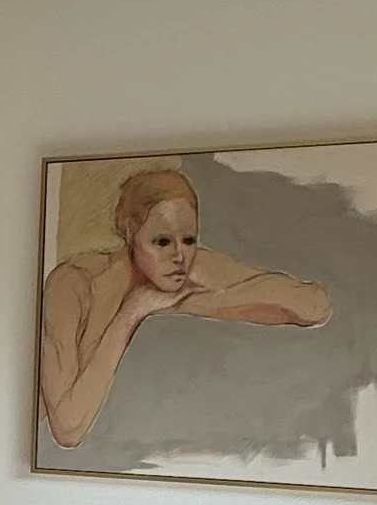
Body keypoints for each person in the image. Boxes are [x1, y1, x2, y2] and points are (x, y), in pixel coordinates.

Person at [38, 166, 332, 448]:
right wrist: (131, 313)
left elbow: (315, 306)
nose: (179, 256)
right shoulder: (73, 285)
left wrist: (200, 300)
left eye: (189, 239)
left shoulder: (186, 270)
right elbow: (68, 429)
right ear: (130, 232)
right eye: (161, 241)